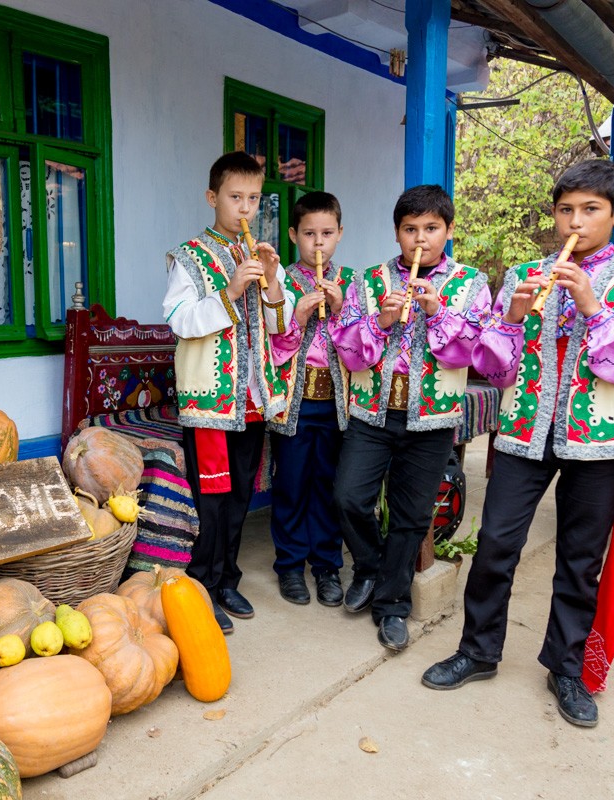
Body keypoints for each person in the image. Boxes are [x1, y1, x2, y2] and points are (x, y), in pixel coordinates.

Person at [421, 160, 614, 729]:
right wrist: (512, 316)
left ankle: (565, 668)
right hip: (523, 430)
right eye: (566, 211)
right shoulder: (521, 275)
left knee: (580, 561)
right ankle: (478, 651)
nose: (575, 224)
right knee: (495, 545)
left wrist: (591, 305)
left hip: (601, 442)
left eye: (590, 211)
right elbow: (494, 363)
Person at [330, 184, 490, 651]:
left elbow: (476, 350)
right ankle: (368, 566)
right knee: (348, 498)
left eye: (431, 229)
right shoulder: (368, 280)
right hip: (372, 414)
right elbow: (347, 346)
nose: (420, 240)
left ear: (449, 230)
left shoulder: (470, 284)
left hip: (432, 419)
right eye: (410, 229)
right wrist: (380, 321)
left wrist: (437, 312)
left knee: (411, 515)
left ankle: (391, 604)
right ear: (397, 232)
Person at [162, 151, 294, 634]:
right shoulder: (190, 255)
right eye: (235, 197)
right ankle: (202, 586)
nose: (244, 208)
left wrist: (274, 281)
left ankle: (228, 580)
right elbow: (179, 319)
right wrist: (231, 291)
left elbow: (282, 327)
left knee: (240, 494)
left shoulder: (258, 254)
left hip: (253, 399)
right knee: (211, 498)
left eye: (253, 198)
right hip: (210, 399)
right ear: (212, 197)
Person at [267, 191, 351, 607]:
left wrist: (339, 312)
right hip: (293, 404)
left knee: (328, 485)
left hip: (337, 403)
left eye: (327, 233)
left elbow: (360, 349)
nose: (318, 243)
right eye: (309, 234)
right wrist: (297, 318)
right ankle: (289, 565)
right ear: (293, 235)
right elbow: (272, 349)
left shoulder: (352, 284)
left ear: (339, 234)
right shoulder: (280, 281)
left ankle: (327, 566)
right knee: (292, 484)